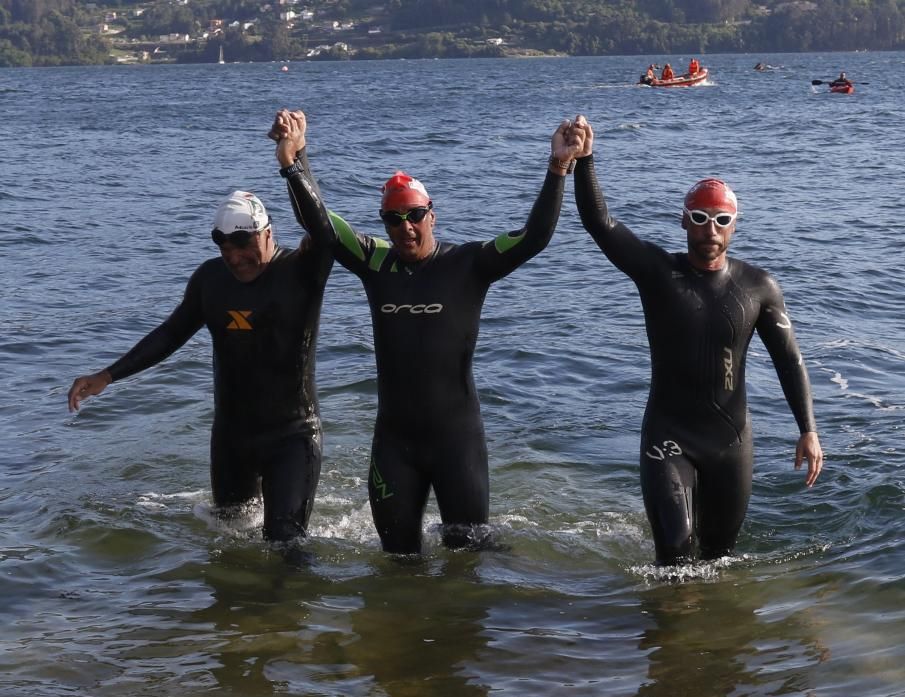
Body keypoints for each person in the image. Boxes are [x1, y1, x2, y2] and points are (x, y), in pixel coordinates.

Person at [269, 108, 585, 555]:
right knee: (396, 563)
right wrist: (294, 159)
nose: (405, 228)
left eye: (414, 215)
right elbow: (320, 223)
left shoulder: (467, 263)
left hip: (458, 441)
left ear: (432, 214)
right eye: (393, 220)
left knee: (469, 559)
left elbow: (534, 237)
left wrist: (558, 168)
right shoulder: (375, 262)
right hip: (394, 444)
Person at [570, 115, 823, 566]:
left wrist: (807, 429)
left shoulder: (758, 287)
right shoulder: (658, 273)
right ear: (684, 222)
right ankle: (671, 631)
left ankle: (715, 638)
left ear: (734, 226)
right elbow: (599, 223)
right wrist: (586, 159)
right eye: (701, 219)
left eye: (721, 220)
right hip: (669, 438)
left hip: (731, 442)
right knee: (674, 553)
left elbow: (790, 361)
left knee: (719, 560)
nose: (710, 230)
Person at [67, 152, 333, 542]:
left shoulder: (299, 273)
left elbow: (325, 234)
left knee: (286, 543)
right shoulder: (211, 280)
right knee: (227, 540)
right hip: (232, 438)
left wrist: (293, 163)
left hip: (293, 435)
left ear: (267, 232)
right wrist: (108, 376)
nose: (234, 257)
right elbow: (171, 333)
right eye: (224, 246)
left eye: (242, 243)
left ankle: (287, 603)